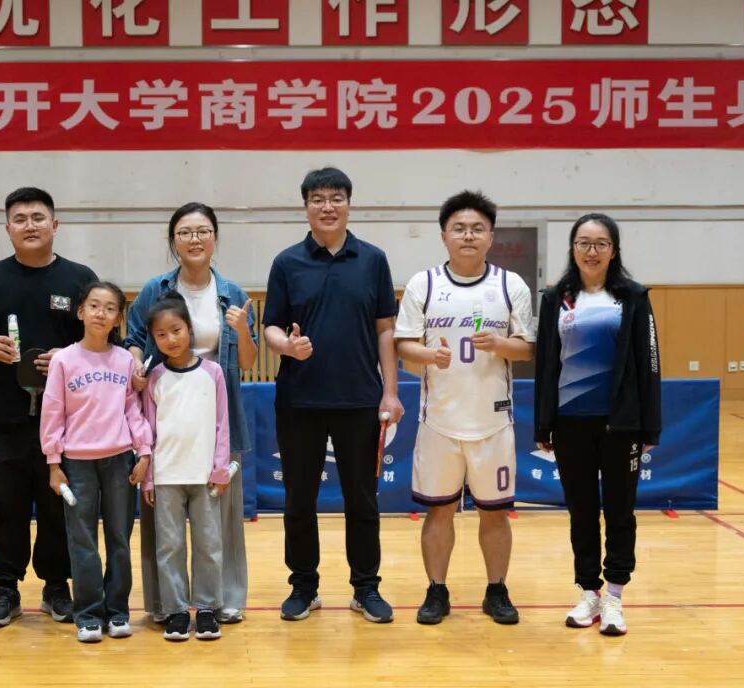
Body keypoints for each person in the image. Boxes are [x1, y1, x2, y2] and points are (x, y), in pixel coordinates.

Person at [262, 167, 403, 624]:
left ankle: (366, 587)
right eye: (318, 199)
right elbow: (271, 326)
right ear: (305, 207)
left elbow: (385, 330)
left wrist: (391, 392)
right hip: (299, 401)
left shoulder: (373, 260)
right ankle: (304, 587)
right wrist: (287, 346)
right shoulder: (287, 263)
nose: (328, 207)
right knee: (299, 500)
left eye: (336, 198)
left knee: (362, 499)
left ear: (349, 204)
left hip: (360, 400)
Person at [0, 187, 97, 628]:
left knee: (58, 504)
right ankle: (5, 587)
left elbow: (101, 340)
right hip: (4, 417)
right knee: (5, 505)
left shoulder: (80, 279)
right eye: (20, 219)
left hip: (67, 421)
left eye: (38, 217)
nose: (30, 225)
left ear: (55, 224)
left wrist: (68, 356)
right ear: (8, 228)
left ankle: (56, 586)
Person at [394, 190, 535, 626]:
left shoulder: (511, 285)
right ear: (444, 236)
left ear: (491, 236)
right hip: (439, 421)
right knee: (439, 510)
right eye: (459, 228)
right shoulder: (424, 284)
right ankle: (437, 590)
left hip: (493, 422)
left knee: (495, 512)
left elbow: (528, 348)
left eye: (477, 228)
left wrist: (500, 344)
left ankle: (497, 590)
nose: (468, 236)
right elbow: (403, 345)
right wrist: (427, 356)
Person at [126, 202, 256, 625]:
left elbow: (248, 360)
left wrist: (242, 331)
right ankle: (167, 602)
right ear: (173, 241)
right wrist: (135, 368)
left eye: (202, 231)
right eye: (184, 232)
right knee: (161, 524)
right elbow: (133, 339)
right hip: (166, 411)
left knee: (220, 521)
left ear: (215, 237)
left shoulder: (234, 293)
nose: (194, 239)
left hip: (217, 413)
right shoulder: (155, 288)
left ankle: (223, 599)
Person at [534, 212, 661, 637]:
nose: (592, 251)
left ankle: (615, 597)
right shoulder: (557, 298)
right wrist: (543, 424)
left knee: (620, 511)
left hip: (620, 423)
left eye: (600, 243)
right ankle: (588, 591)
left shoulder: (632, 297)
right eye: (584, 243)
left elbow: (650, 363)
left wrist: (649, 427)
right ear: (572, 248)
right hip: (570, 421)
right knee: (582, 512)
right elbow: (546, 362)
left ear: (613, 250)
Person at [39, 282, 152, 643]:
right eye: (94, 305)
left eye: (109, 308)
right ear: (81, 312)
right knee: (82, 540)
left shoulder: (124, 361)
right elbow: (53, 412)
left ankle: (117, 611)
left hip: (119, 460)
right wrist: (54, 463)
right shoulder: (64, 360)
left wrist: (144, 451)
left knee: (120, 538)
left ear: (118, 318)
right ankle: (87, 614)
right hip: (77, 464)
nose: (100, 313)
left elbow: (133, 410)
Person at [140, 292, 232, 641]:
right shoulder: (154, 377)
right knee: (169, 547)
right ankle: (176, 610)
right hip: (166, 477)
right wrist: (149, 478)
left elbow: (222, 425)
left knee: (209, 545)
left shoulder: (213, 372)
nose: (171, 339)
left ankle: (207, 608)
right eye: (161, 334)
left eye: (176, 330)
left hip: (205, 477)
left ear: (189, 329)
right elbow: (148, 430)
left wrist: (220, 468)